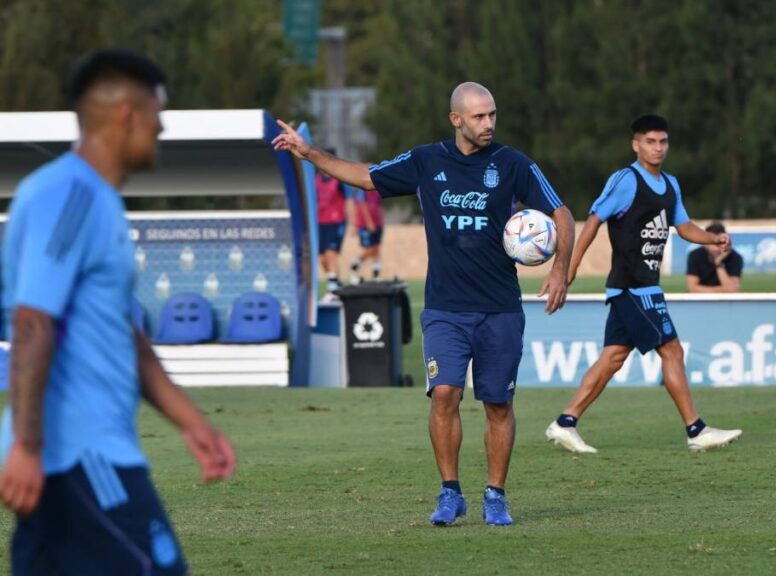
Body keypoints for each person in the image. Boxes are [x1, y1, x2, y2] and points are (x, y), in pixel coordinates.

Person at [274, 82, 575, 526]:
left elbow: (562, 214)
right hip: (445, 308)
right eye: (478, 116)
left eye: (492, 114)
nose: (488, 123)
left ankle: (496, 495)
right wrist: (310, 153)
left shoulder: (513, 164)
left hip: (500, 308)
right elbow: (365, 175)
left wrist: (559, 268)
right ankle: (450, 492)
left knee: (497, 404)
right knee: (445, 395)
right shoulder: (426, 160)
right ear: (456, 119)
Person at [0, 49, 236, 575]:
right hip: (82, 456)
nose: (162, 125)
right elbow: (33, 321)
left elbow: (122, 333)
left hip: (75, 456)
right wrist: (26, 444)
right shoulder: (70, 196)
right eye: (158, 110)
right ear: (127, 112)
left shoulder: (98, 201)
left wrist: (190, 421)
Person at [544, 114, 742, 454]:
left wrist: (712, 239)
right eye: (650, 141)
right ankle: (696, 429)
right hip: (633, 287)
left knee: (613, 358)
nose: (658, 148)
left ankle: (565, 422)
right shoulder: (626, 181)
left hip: (643, 287)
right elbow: (593, 222)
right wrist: (568, 269)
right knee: (672, 350)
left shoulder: (671, 185)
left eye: (663, 141)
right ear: (636, 144)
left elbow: (683, 226)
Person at [316, 150, 354, 300]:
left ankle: (332, 290)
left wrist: (354, 223)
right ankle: (337, 283)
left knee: (331, 254)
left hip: (336, 221)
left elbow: (349, 201)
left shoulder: (338, 181)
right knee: (322, 259)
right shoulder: (316, 180)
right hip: (321, 222)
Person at [686, 221, 742, 293]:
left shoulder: (736, 258)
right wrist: (723, 290)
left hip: (724, 302)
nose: (716, 248)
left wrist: (718, 263)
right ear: (705, 243)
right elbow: (692, 288)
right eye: (713, 243)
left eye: (720, 243)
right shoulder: (695, 255)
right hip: (699, 301)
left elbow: (733, 290)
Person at [348, 187, 385, 284]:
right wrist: (369, 222)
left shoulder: (377, 190)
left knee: (376, 249)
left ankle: (376, 275)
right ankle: (353, 267)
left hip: (378, 223)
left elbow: (379, 205)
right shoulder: (363, 190)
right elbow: (362, 205)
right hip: (365, 224)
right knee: (369, 249)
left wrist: (381, 221)